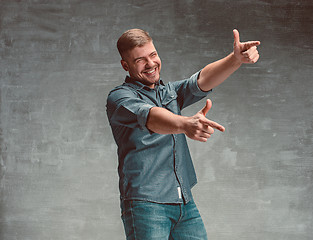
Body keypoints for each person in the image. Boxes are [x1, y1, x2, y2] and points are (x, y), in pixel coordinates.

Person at [106, 28, 260, 240]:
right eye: (140, 60)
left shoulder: (169, 92)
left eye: (153, 55)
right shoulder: (119, 99)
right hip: (146, 206)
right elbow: (150, 116)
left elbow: (201, 80)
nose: (151, 64)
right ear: (125, 65)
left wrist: (235, 59)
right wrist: (185, 124)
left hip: (184, 204)